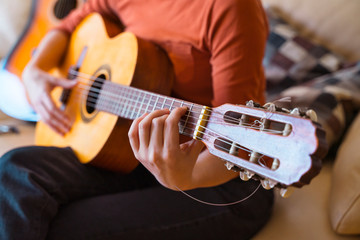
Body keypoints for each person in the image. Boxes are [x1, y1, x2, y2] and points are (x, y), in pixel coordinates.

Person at [0, 0, 274, 239]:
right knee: (15, 169)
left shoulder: (231, 7)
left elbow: (241, 140)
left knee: (62, 226)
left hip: (221, 180)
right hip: (131, 155)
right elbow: (69, 26)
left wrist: (184, 176)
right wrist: (35, 71)